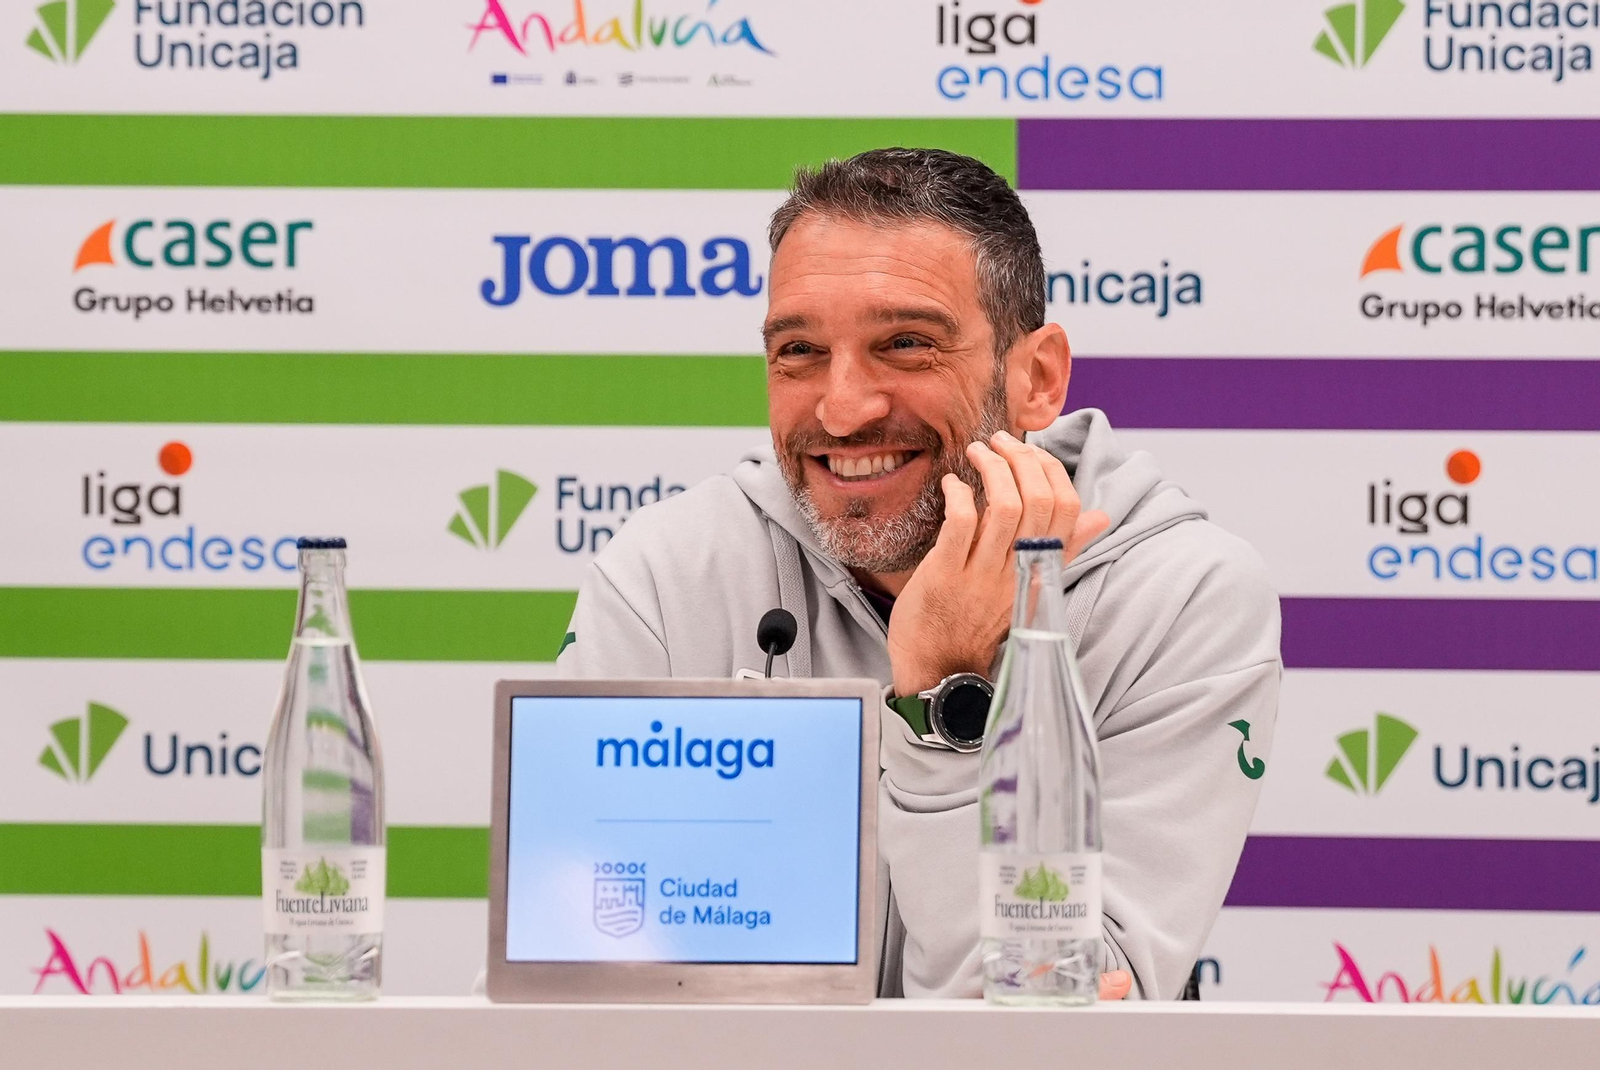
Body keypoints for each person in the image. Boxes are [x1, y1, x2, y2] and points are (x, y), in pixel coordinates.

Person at [558, 147, 1281, 1000]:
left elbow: (1048, 1016)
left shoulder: (1180, 596)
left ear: (1038, 378)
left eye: (905, 345)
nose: (843, 408)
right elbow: (569, 985)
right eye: (799, 350)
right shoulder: (668, 574)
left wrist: (944, 694)